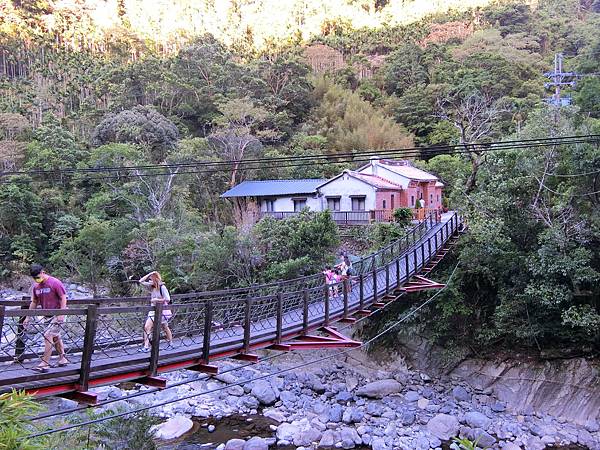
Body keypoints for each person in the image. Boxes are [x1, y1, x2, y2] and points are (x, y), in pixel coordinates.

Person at [25, 264, 69, 372]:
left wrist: (61, 314)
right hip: (47, 315)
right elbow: (34, 302)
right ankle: (63, 359)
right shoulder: (36, 286)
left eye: (38, 277)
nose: (37, 279)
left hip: (58, 313)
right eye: (35, 278)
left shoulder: (55, 282)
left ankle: (45, 363)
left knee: (48, 335)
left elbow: (63, 297)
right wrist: (27, 317)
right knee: (55, 336)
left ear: (43, 272)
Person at [138, 271, 174, 352]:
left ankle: (170, 343)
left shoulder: (162, 287)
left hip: (161, 310)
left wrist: (156, 300)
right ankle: (146, 347)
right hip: (152, 310)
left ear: (156, 279)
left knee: (164, 327)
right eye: (150, 278)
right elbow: (141, 281)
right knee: (147, 327)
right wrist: (150, 273)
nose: (150, 280)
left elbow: (168, 299)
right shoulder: (151, 286)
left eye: (152, 278)